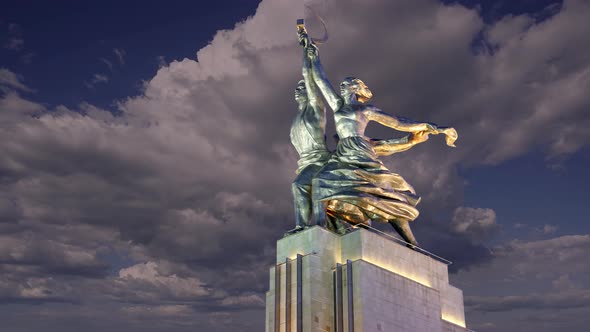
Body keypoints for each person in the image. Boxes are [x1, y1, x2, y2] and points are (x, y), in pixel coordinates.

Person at [301, 36, 458, 246]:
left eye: (346, 84)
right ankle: (320, 229)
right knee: (321, 183)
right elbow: (320, 80)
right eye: (342, 84)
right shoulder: (338, 106)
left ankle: (411, 241)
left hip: (360, 150)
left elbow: (398, 122)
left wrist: (432, 127)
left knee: (382, 194)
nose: (342, 86)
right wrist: (313, 55)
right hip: (343, 152)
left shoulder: (367, 109)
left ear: (356, 88)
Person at [288, 42, 331, 234]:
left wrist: (307, 52)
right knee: (299, 185)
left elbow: (308, 77)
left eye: (302, 88)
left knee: (299, 185)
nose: (298, 91)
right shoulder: (296, 119)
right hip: (305, 164)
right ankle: (303, 227)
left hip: (320, 162)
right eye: (296, 89)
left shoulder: (315, 110)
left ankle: (302, 227)